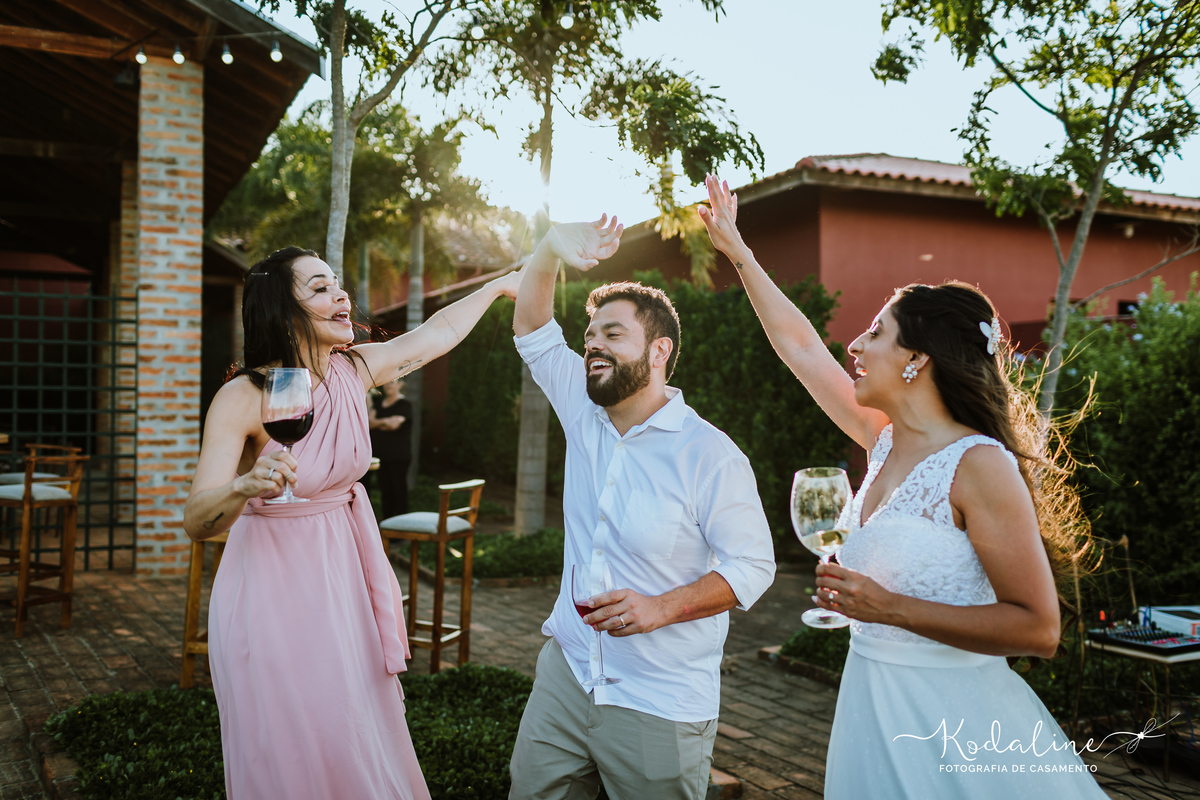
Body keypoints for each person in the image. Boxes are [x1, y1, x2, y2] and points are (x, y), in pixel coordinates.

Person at [698, 176, 1106, 798]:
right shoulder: (882, 439)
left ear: (917, 359)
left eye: (875, 333)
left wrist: (887, 607)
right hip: (871, 705)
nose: (855, 346)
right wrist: (740, 254)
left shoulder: (979, 465)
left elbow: (1039, 630)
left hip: (954, 723)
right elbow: (800, 347)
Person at [183, 246, 520, 800]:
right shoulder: (243, 397)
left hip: (342, 582)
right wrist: (243, 487)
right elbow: (198, 520)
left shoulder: (354, 370)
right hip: (270, 595)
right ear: (281, 310)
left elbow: (437, 334)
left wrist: (497, 287)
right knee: (292, 745)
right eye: (319, 288)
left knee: (352, 731)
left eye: (336, 283)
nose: (341, 295)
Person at [508, 216, 776, 800]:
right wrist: (549, 248)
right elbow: (532, 327)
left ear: (659, 351)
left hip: (660, 697)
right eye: (590, 336)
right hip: (568, 673)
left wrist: (661, 607)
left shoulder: (710, 455)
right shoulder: (583, 409)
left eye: (612, 334)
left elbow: (754, 565)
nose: (593, 346)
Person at [368, 377, 413, 519]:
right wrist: (386, 422)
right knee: (385, 493)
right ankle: (387, 526)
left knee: (398, 491)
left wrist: (378, 422)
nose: (388, 385)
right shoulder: (379, 404)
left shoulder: (404, 404)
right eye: (386, 382)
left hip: (398, 457)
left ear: (400, 385)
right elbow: (369, 423)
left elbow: (394, 425)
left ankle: (401, 526)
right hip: (381, 457)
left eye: (392, 382)